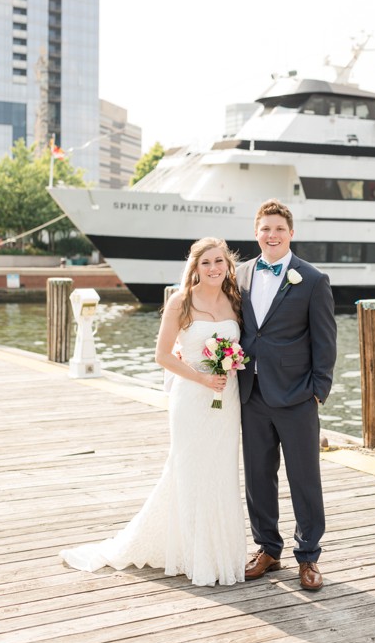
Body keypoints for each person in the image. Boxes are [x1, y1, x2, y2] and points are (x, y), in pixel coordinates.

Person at [60, 237, 247, 587]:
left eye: (219, 261)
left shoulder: (234, 302)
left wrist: (227, 368)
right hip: (192, 396)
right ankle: (196, 557)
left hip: (227, 398)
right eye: (206, 262)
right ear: (195, 267)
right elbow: (161, 356)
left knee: (221, 472)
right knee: (189, 470)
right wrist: (201, 378)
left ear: (227, 265)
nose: (213, 268)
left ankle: (222, 553)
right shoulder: (181, 302)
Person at [237, 199, 336, 591]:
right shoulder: (241, 274)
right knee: (258, 476)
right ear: (255, 233)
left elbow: (325, 340)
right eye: (265, 228)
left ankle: (309, 556)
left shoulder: (311, 279)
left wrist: (318, 391)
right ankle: (268, 548)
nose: (272, 235)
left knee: (304, 479)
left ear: (291, 233)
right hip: (251, 393)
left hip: (297, 395)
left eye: (279, 228)